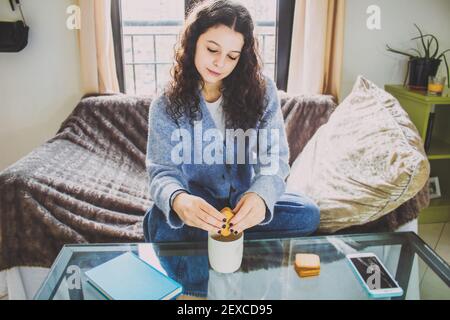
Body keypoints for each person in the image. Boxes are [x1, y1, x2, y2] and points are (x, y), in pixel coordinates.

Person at [143, 0, 320, 243]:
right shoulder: (166, 103)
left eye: (232, 56)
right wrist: (179, 200)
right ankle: (205, 234)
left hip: (244, 199)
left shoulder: (262, 91)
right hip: (198, 200)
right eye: (212, 50)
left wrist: (260, 197)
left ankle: (221, 233)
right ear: (193, 42)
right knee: (163, 218)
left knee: (307, 215)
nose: (220, 63)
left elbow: (275, 157)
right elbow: (161, 171)